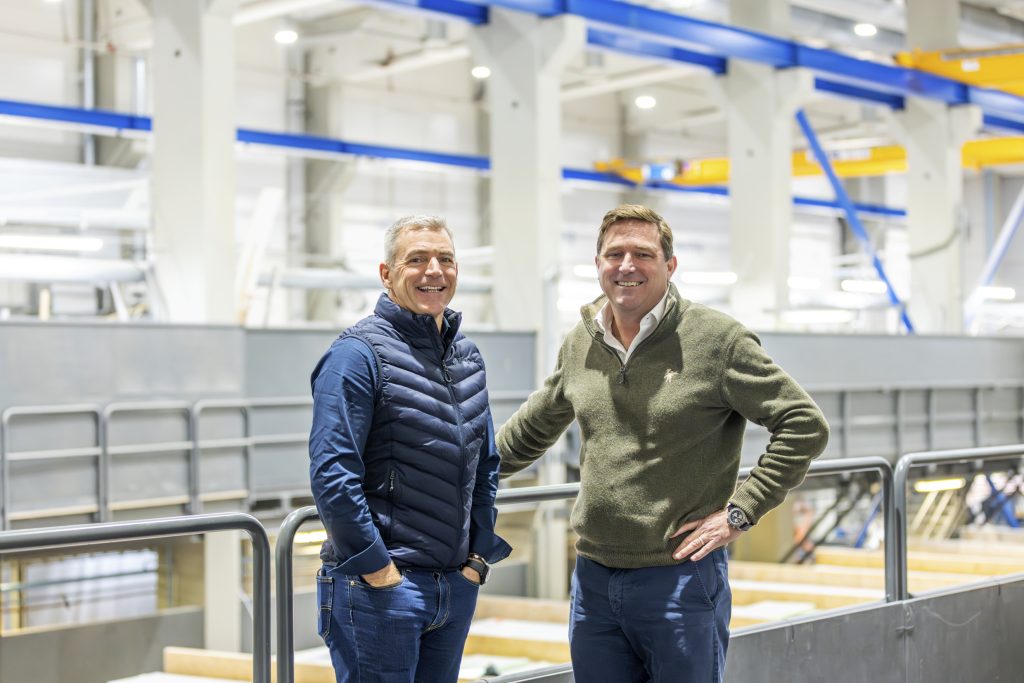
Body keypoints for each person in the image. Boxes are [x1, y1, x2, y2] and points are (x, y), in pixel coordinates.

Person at [497, 204, 829, 682]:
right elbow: (531, 430)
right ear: (597, 264)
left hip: (679, 577)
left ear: (670, 265)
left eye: (643, 254)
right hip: (594, 579)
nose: (626, 265)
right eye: (614, 254)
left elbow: (803, 423)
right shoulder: (580, 342)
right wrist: (455, 470)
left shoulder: (717, 341)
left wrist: (741, 511)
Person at [309, 215, 511, 683]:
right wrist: (379, 570)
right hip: (379, 590)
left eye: (445, 259)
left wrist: (476, 561)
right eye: (416, 259)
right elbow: (332, 475)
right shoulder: (356, 356)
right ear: (387, 274)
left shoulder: (466, 357)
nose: (433, 271)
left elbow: (484, 465)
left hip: (453, 587)